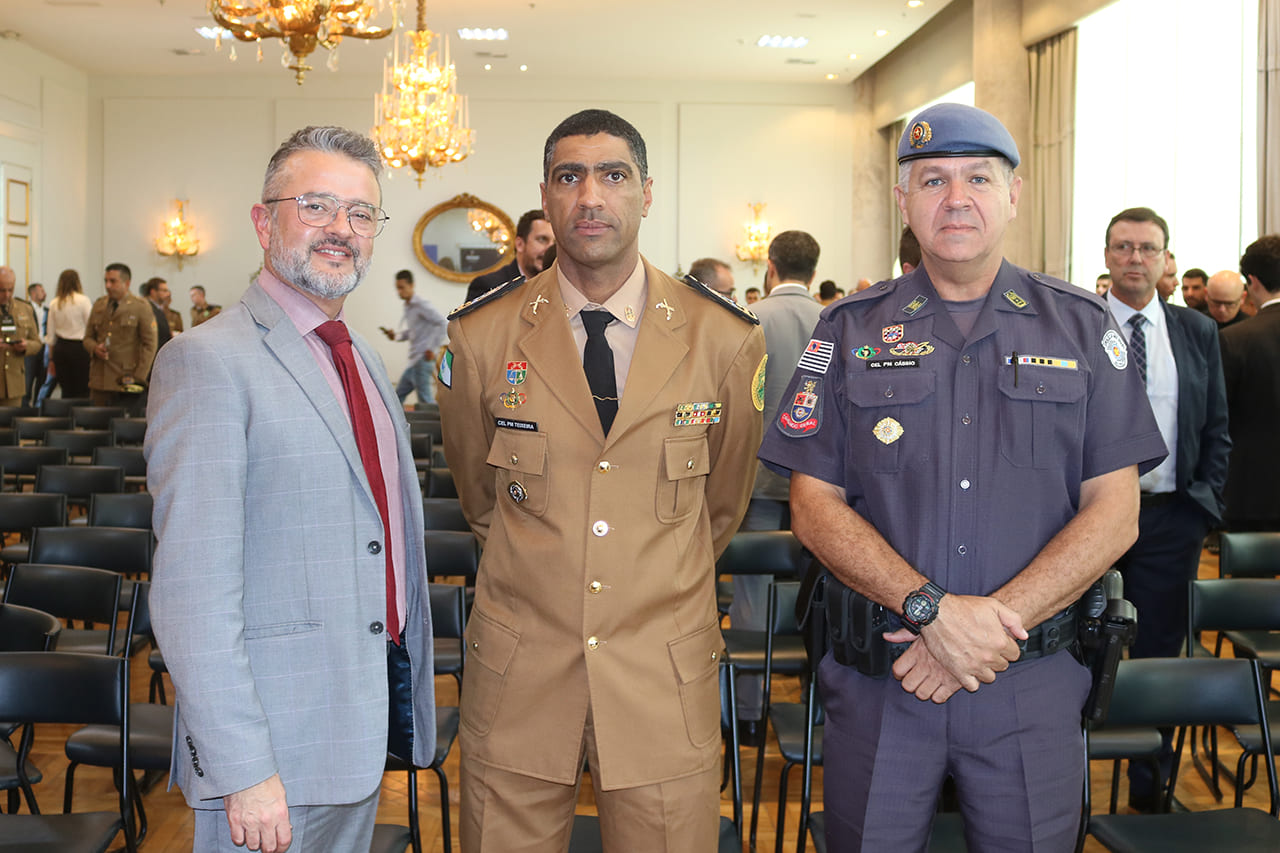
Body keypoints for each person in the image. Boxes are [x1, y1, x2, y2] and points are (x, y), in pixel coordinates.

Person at [758, 103, 1166, 850]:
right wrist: (933, 613)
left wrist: (986, 629)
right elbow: (813, 509)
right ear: (904, 203)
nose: (957, 198)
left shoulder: (1082, 327)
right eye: (933, 179)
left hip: (1028, 685)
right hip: (887, 678)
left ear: (1014, 194)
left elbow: (1117, 512)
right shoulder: (847, 328)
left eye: (979, 177)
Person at [438, 108, 765, 853]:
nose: (591, 195)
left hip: (659, 674)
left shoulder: (723, 338)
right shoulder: (481, 335)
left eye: (613, 175)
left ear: (647, 193)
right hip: (521, 670)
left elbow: (722, 507)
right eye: (569, 177)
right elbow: (482, 501)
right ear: (547, 200)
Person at [147, 125, 436, 853]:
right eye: (316, 205)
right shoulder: (206, 362)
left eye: (361, 213)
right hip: (271, 756)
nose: (341, 228)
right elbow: (191, 593)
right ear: (262, 220)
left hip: (358, 729)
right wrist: (244, 768)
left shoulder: (361, 354)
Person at [1102, 206, 1230, 810]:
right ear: (1106, 257)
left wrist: (1203, 504)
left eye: (1147, 249)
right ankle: (1060, 782)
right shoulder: (1077, 326)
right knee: (1078, 649)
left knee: (1158, 655)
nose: (1135, 259)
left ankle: (1149, 790)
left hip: (1171, 517)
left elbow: (1217, 425)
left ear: (1165, 259)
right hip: (1088, 519)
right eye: (1123, 248)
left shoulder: (1196, 331)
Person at [735, 229, 823, 741]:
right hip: (819, 481)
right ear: (814, 268)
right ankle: (814, 706)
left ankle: (748, 711)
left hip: (760, 473)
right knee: (820, 591)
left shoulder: (751, 319)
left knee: (752, 590)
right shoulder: (833, 320)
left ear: (769, 265)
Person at [1219, 234, 1280, 531]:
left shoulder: (1235, 339)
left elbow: (1218, 418)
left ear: (1252, 281)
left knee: (1249, 578)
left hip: (1252, 491)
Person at [83, 263, 157, 411]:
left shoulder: (140, 306)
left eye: (113, 281)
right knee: (96, 428)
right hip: (100, 379)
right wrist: (94, 348)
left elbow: (150, 344)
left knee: (122, 429)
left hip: (125, 379)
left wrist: (138, 378)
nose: (108, 285)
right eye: (106, 281)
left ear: (127, 283)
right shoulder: (99, 305)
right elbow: (87, 338)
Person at [379, 269, 447, 406]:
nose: (399, 291)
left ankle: (440, 426)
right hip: (415, 361)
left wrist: (432, 348)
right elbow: (412, 332)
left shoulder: (421, 304)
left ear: (412, 285)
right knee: (398, 397)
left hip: (422, 360)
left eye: (402, 287)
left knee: (426, 401)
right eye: (397, 288)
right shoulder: (409, 307)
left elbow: (443, 323)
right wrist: (396, 336)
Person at [464, 208, 556, 303]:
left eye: (554, 242)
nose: (550, 248)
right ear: (520, 244)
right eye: (542, 239)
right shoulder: (488, 286)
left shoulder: (555, 287)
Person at [43, 268, 93, 400]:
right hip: (80, 348)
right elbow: (91, 326)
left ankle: (67, 418)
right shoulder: (83, 300)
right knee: (83, 389)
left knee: (67, 390)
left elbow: (50, 337)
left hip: (61, 349)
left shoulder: (54, 303)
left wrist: (51, 360)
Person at [0, 267, 40, 406]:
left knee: (10, 426)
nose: (6, 294)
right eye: (2, 290)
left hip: (14, 383)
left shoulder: (25, 309)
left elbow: (37, 342)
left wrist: (25, 346)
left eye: (10, 290)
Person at [21, 282, 47, 407]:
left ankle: (38, 409)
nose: (45, 293)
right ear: (33, 293)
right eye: (41, 291)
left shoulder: (48, 310)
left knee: (42, 381)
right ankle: (24, 410)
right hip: (30, 349)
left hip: (44, 349)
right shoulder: (25, 308)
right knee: (27, 381)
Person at [140, 277, 173, 349]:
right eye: (164, 291)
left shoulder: (158, 308)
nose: (167, 294)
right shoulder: (147, 308)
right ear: (153, 292)